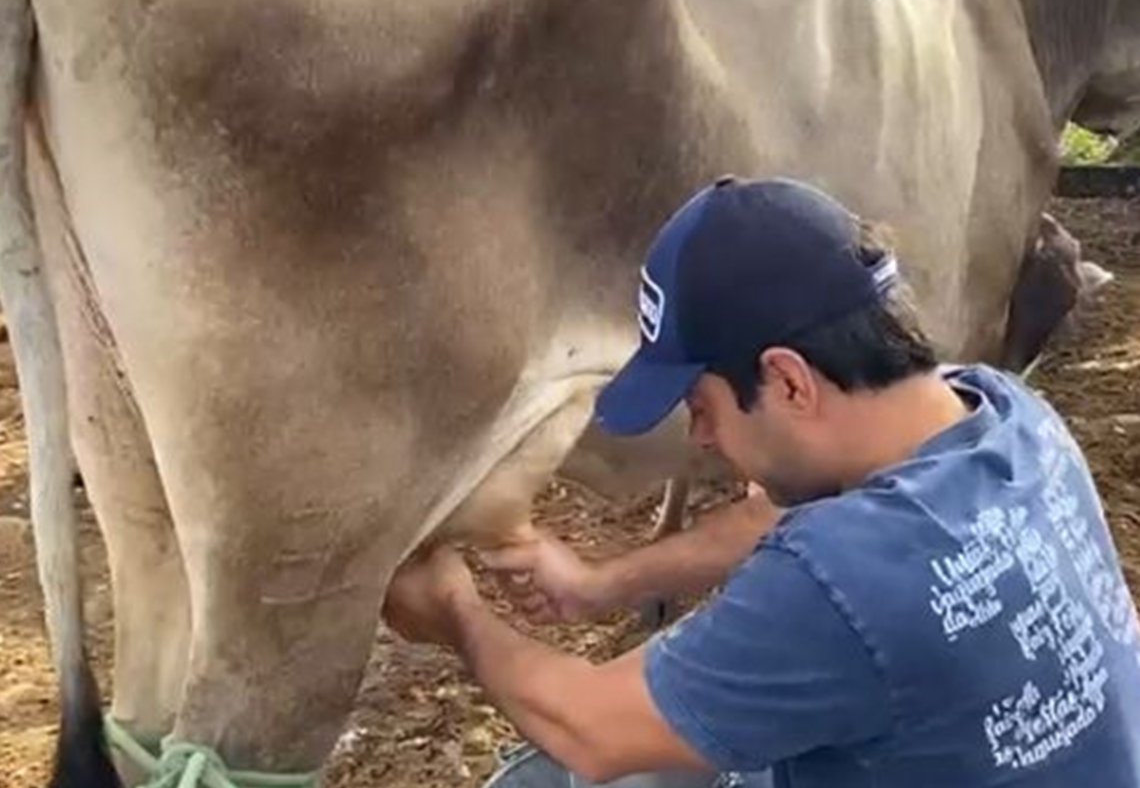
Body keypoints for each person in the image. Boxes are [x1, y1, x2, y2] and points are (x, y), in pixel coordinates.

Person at [383, 176, 1140, 788]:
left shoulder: (847, 581)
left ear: (788, 381)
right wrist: (598, 584)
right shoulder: (1003, 414)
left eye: (701, 406)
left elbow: (590, 730)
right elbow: (766, 523)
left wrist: (456, 613)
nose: (701, 437)